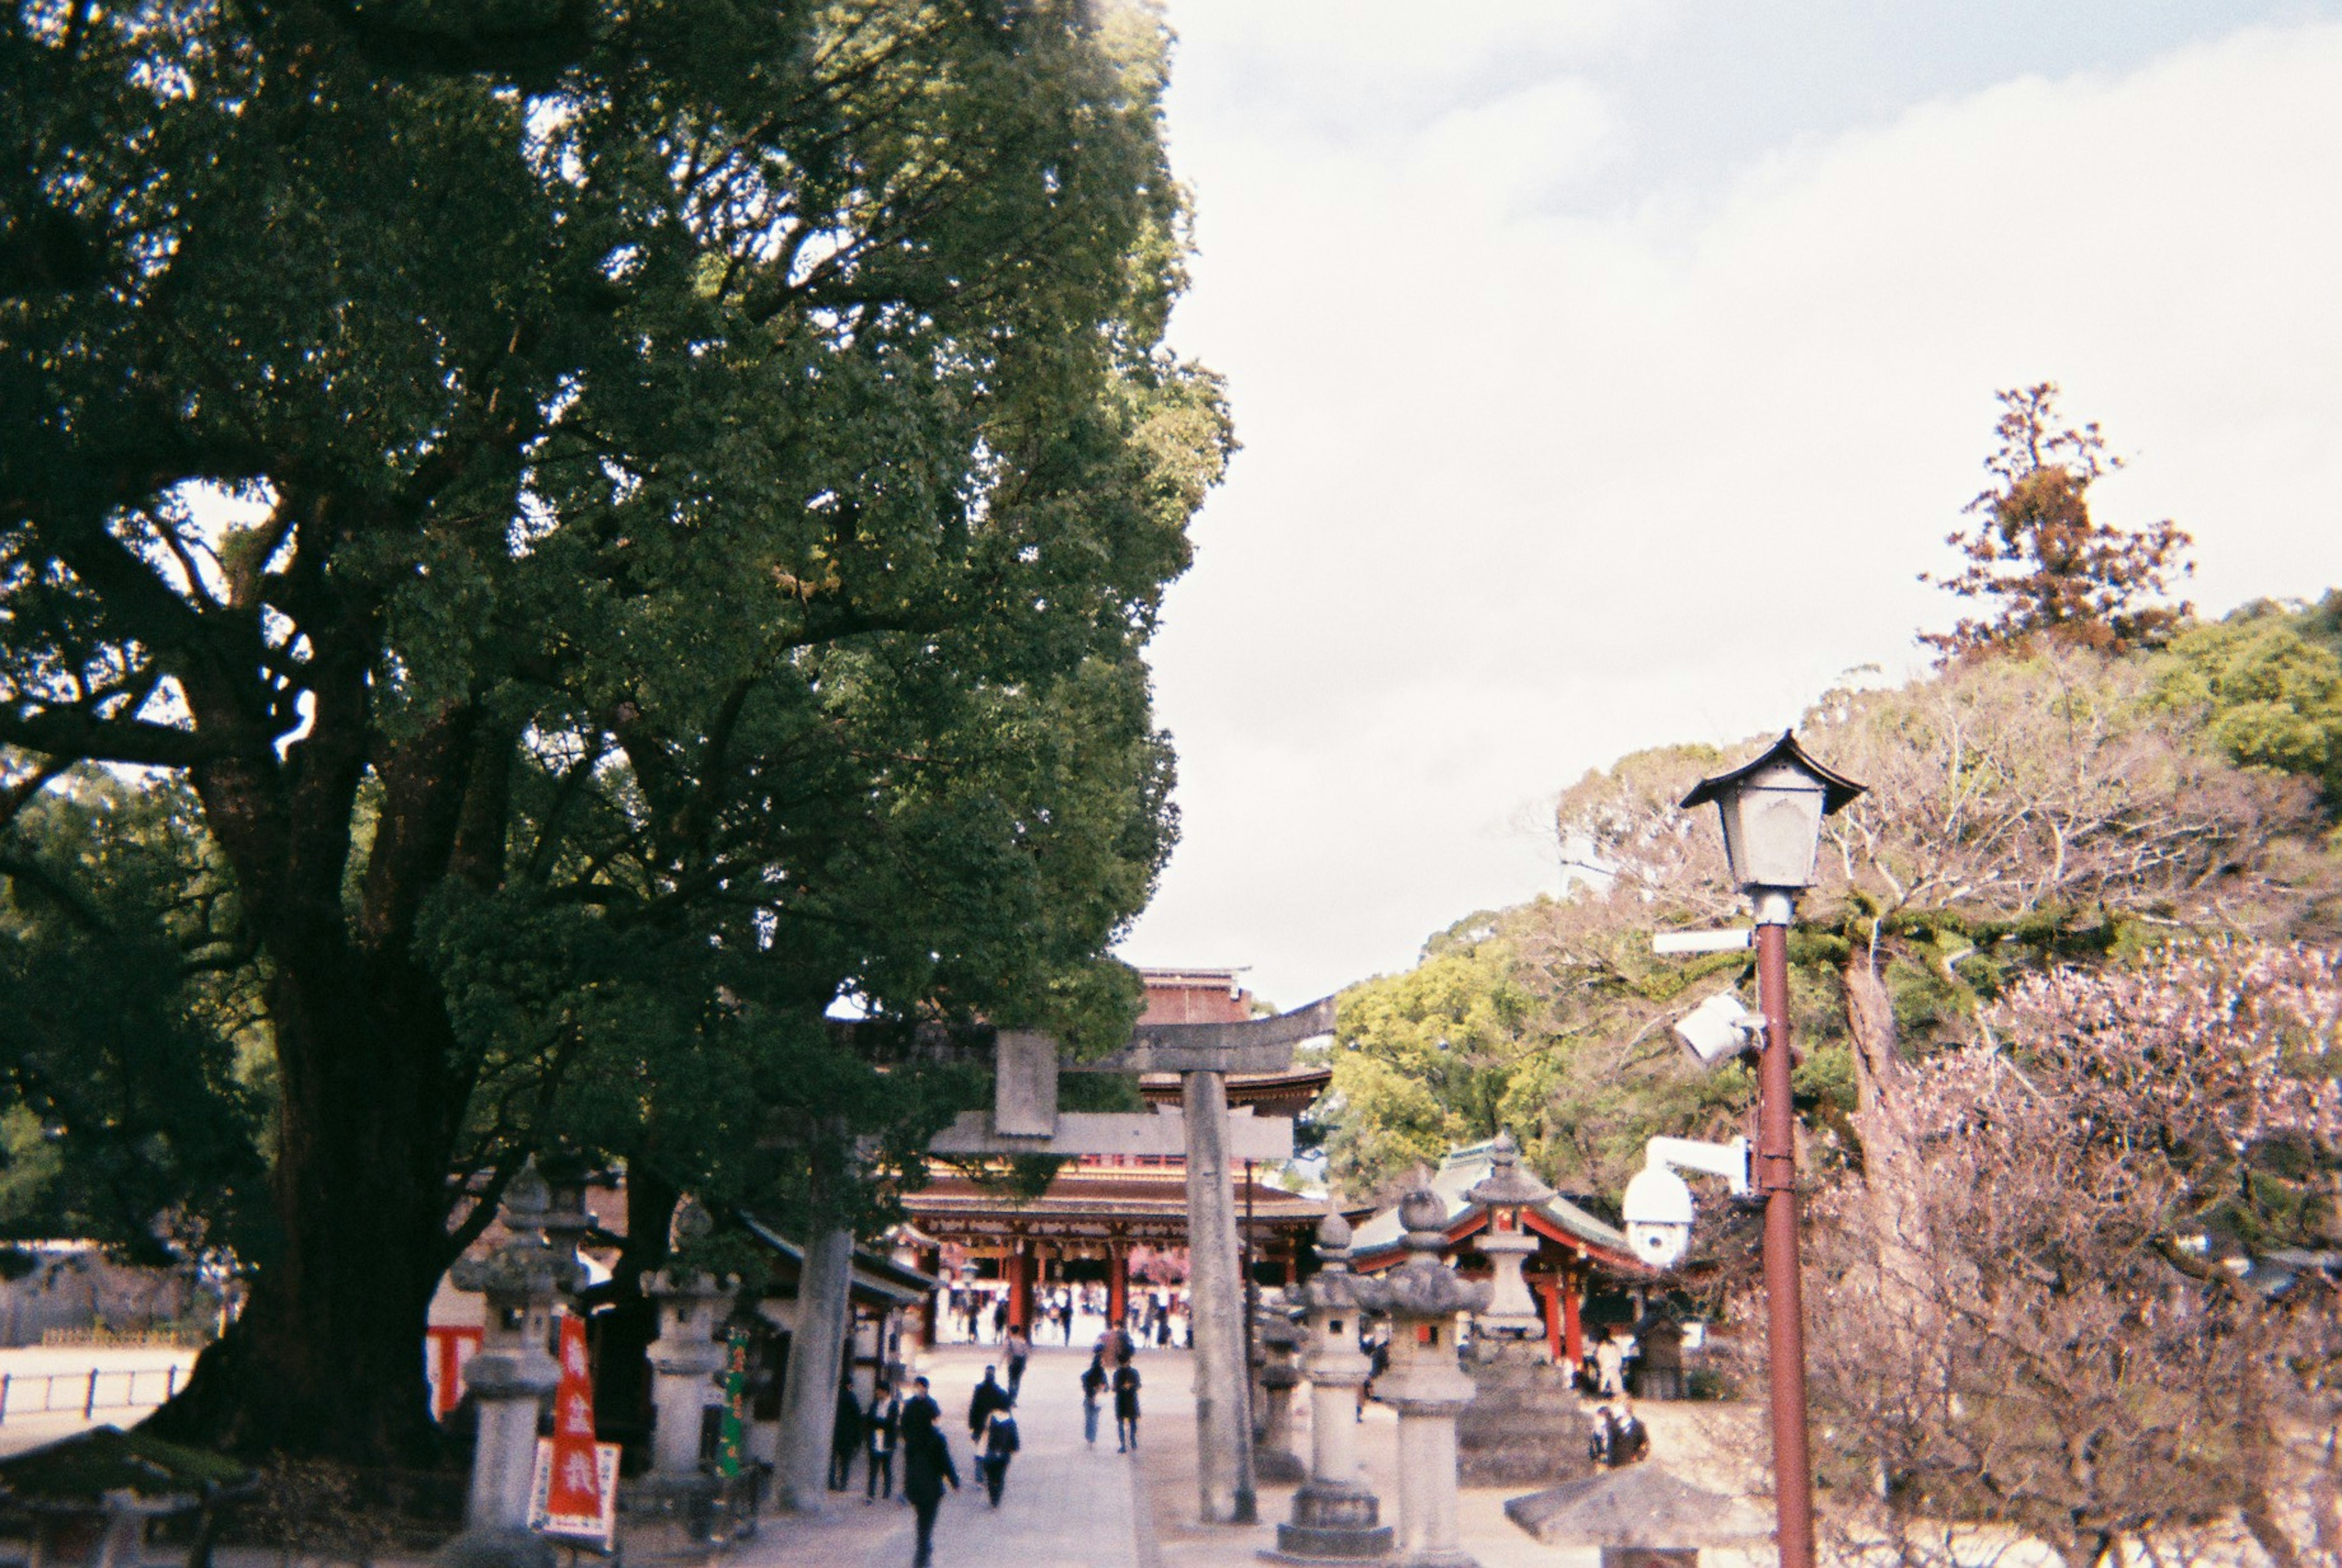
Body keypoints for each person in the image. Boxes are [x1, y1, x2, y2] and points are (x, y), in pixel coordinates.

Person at [903, 1417, 961, 1567]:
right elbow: (945, 1461)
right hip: (932, 1486)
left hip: (915, 1485)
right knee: (928, 1520)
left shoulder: (912, 1438)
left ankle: (923, 1546)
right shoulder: (937, 1438)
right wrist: (954, 1481)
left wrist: (907, 1484)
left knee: (921, 1518)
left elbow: (908, 1463)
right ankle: (922, 1553)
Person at [867, 1380, 903, 1502]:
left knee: (886, 1467)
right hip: (875, 1438)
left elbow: (890, 1423)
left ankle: (887, 1490)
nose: (877, 1393)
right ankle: (871, 1492)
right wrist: (879, 1422)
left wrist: (878, 1422)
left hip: (887, 1439)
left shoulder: (893, 1405)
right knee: (873, 1468)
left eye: (879, 1391)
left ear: (885, 1392)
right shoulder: (874, 1404)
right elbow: (869, 1420)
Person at [978, 1403, 1021, 1506]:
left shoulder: (991, 1420)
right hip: (1005, 1454)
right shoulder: (1011, 1422)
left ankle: (992, 1495)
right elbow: (1014, 1439)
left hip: (991, 1452)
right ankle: (997, 1497)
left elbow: (983, 1434)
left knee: (990, 1476)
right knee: (1000, 1476)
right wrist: (1015, 1449)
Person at [829, 1383, 864, 1491]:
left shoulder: (835, 1395)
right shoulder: (851, 1397)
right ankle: (843, 1483)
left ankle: (831, 1482)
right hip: (847, 1433)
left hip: (834, 1432)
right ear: (849, 1385)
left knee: (833, 1459)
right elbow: (858, 1415)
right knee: (845, 1461)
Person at [968, 1364, 1011, 1439]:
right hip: (992, 1423)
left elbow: (974, 1407)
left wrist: (972, 1425)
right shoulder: (999, 1392)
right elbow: (1005, 1410)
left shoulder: (980, 1389)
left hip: (983, 1422)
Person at [1112, 1351, 1142, 1452]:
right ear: (1129, 1361)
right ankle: (1133, 1441)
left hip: (1121, 1401)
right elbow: (1138, 1385)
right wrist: (1130, 1387)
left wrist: (1122, 1388)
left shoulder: (1117, 1373)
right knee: (1133, 1422)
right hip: (1131, 1400)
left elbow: (1115, 1388)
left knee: (1121, 1423)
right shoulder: (1134, 1372)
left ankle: (1123, 1445)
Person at [1080, 1348, 1109, 1445]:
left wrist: (1087, 1388)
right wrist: (1101, 1388)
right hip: (1095, 1398)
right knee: (1094, 1419)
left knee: (1089, 1418)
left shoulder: (1089, 1374)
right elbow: (1106, 1387)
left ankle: (1089, 1436)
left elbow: (1083, 1377)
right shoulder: (1102, 1374)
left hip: (1089, 1398)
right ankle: (1092, 1437)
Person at [1004, 1325, 1031, 1398]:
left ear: (1011, 1332)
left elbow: (1004, 1352)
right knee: (1017, 1380)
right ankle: (1014, 1397)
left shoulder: (1009, 1341)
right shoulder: (1022, 1341)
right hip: (1020, 1362)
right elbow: (1027, 1354)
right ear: (1019, 1332)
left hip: (1011, 1362)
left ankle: (1010, 1396)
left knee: (1011, 1379)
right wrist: (1025, 1364)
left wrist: (1000, 1363)